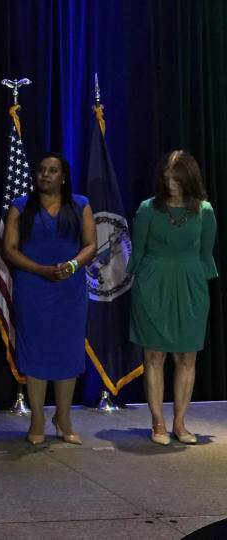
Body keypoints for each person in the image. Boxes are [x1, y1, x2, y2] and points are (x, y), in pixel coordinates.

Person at [0, 153, 96, 445]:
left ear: (63, 177)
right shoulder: (20, 206)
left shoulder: (80, 205)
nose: (46, 175)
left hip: (69, 290)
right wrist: (40, 270)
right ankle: (38, 418)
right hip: (33, 287)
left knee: (68, 351)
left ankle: (64, 418)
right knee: (36, 351)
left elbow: (91, 245)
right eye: (41, 170)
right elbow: (10, 249)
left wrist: (72, 266)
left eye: (53, 171)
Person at [129, 150, 218, 445]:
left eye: (176, 180)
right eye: (166, 179)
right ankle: (158, 424)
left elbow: (206, 256)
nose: (170, 185)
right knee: (154, 355)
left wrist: (196, 294)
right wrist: (141, 286)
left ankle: (180, 423)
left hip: (191, 287)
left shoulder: (204, 211)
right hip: (153, 286)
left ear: (188, 179)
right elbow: (138, 254)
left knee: (187, 356)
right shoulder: (147, 209)